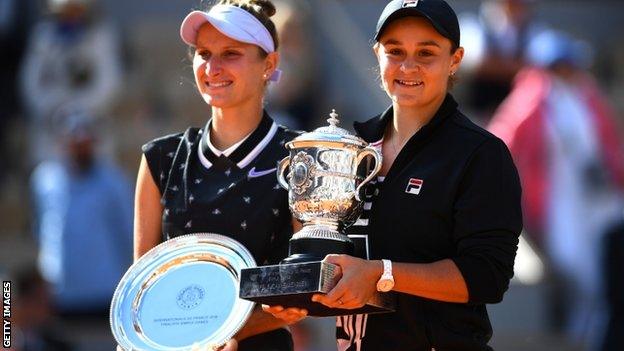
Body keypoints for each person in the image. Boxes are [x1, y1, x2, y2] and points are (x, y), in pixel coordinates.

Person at [267, 1, 522, 350]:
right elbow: (337, 265)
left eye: (426, 53)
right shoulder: (350, 146)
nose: (408, 65)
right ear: (378, 54)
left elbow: (486, 276)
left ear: (455, 60)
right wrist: (300, 291)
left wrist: (381, 274)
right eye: (395, 50)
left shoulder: (481, 154)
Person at [134, 1, 303, 350]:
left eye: (230, 54)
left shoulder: (301, 156)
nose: (212, 67)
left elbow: (301, 294)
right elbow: (142, 288)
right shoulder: (159, 159)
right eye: (204, 53)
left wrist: (220, 336)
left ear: (269, 65)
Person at [488, 30, 624, 348]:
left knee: (604, 277)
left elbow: (610, 147)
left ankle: (592, 338)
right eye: (560, 64)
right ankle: (581, 339)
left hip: (600, 202)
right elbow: (500, 142)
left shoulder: (586, 94)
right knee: (579, 275)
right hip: (558, 204)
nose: (567, 70)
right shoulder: (533, 95)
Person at [30, 106, 133, 318]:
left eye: (84, 144)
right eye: (74, 143)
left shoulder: (114, 182)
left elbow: (129, 233)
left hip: (105, 293)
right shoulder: (44, 180)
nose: (79, 149)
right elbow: (42, 228)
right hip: (61, 293)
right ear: (62, 143)